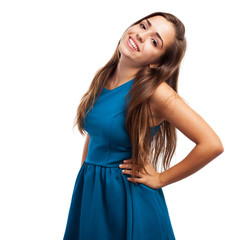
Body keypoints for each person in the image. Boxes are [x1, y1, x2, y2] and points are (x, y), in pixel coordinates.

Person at [63, 11, 224, 240]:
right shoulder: (104, 76)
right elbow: (95, 134)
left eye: (154, 40)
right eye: (143, 26)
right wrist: (85, 180)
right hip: (92, 195)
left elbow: (212, 144)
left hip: (127, 200)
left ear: (156, 62)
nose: (141, 35)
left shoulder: (156, 93)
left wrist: (160, 179)